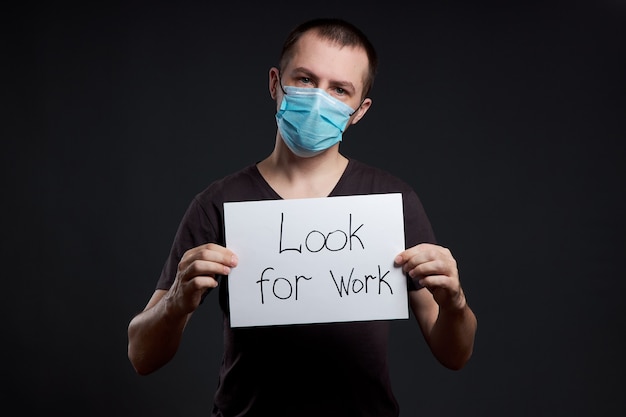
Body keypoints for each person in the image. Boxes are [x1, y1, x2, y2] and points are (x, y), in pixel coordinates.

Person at [127, 17, 477, 416]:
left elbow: (455, 355)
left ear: (359, 111)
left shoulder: (391, 201)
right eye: (306, 80)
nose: (319, 99)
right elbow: (141, 356)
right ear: (276, 83)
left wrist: (455, 302)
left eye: (339, 89)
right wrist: (175, 303)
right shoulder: (219, 203)